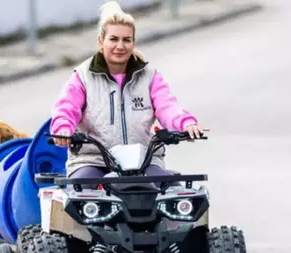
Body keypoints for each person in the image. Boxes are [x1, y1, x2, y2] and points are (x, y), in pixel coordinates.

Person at [50, 1, 206, 180]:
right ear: (101, 41)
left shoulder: (150, 76)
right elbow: (66, 109)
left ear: (133, 42)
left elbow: (168, 107)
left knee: (171, 193)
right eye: (113, 39)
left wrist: (186, 124)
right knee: (79, 193)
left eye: (126, 40)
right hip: (93, 160)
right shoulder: (82, 76)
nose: (120, 46)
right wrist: (63, 129)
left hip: (144, 161)